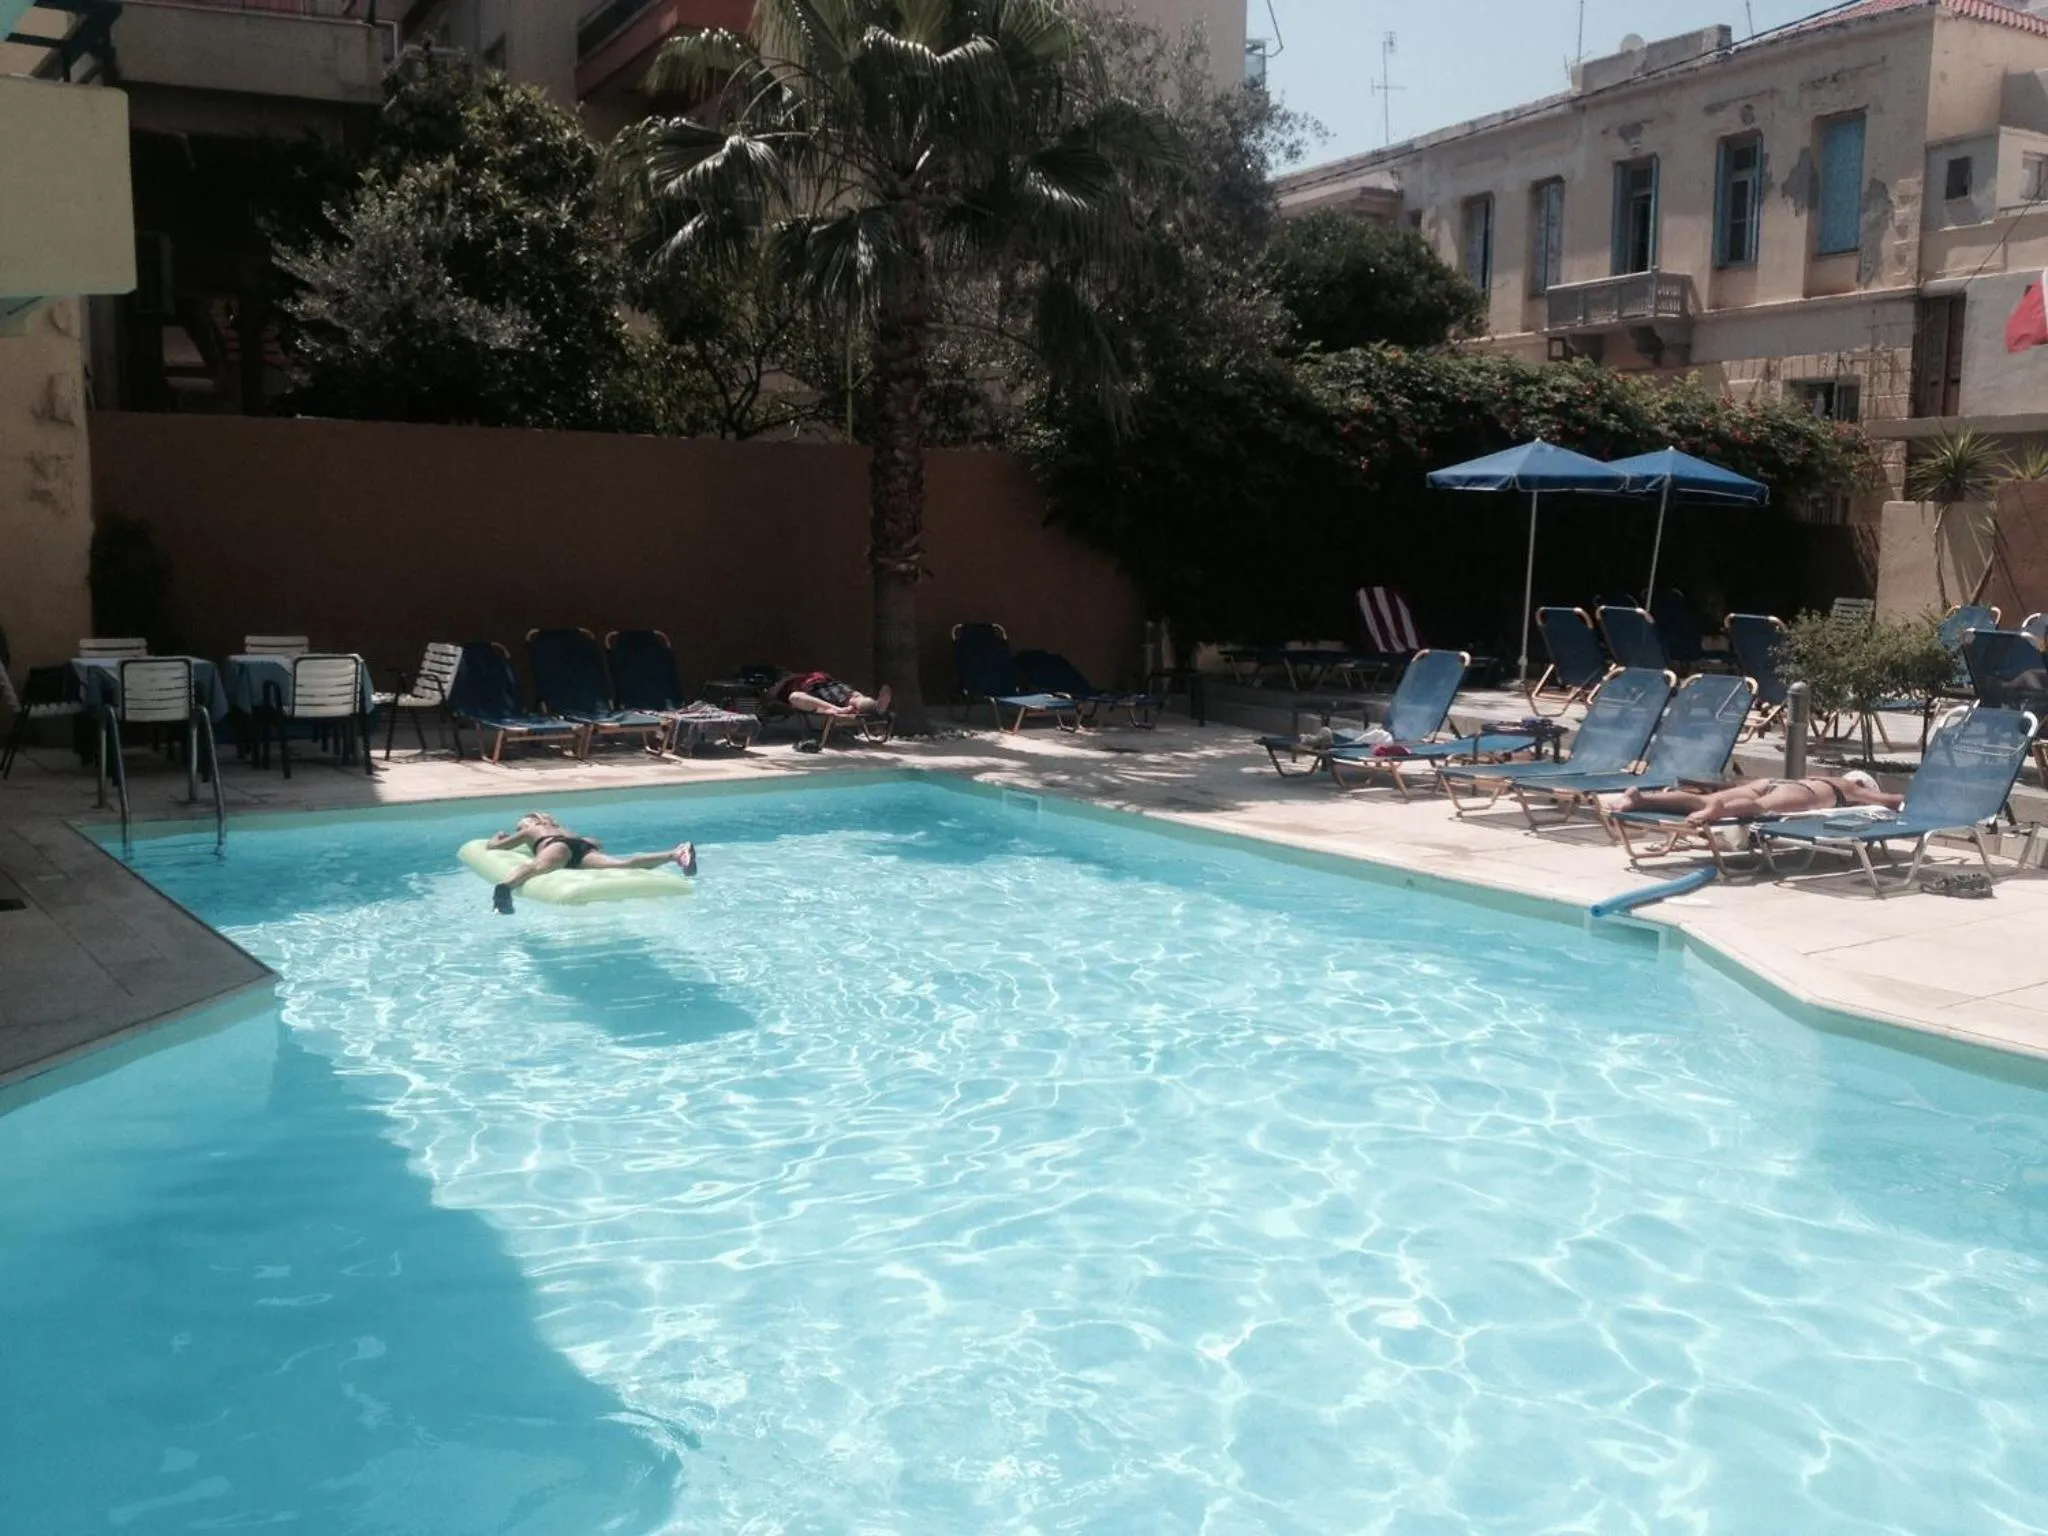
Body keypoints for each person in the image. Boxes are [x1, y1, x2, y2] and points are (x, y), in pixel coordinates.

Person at [484, 811, 695, 913]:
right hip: (580, 847)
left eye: (519, 827)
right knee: (623, 864)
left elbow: (494, 847)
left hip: (556, 847)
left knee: (535, 867)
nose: (520, 830)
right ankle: (676, 854)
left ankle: (504, 888)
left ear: (532, 822)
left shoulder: (533, 830)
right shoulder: (565, 829)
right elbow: (596, 842)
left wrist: (500, 835)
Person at [1604, 770, 1902, 829]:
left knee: (1711, 797)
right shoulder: (1850, 786)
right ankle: (1718, 812)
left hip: (1772, 781)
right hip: (1802, 795)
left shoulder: (1821, 774)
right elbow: (1890, 800)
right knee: (1759, 808)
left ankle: (1641, 798)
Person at [768, 670, 892, 720]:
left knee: (855, 698)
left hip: (807, 687)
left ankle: (872, 707)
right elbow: (886, 689)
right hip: (811, 688)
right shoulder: (852, 696)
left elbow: (793, 697)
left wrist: (836, 709)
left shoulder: (796, 678)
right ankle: (874, 707)